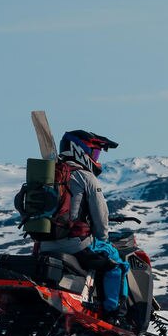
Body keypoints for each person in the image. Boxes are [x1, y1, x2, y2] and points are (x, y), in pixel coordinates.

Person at [38, 129, 128, 319]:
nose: (95, 158)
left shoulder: (48, 175)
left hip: (43, 245)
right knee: (116, 264)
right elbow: (101, 216)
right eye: (94, 153)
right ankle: (114, 311)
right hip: (75, 244)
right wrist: (103, 239)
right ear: (79, 150)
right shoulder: (85, 176)